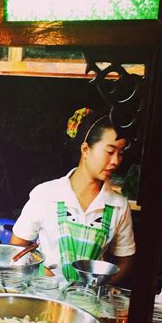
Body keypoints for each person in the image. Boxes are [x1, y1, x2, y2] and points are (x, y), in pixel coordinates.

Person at [10, 108, 135, 285]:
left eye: (120, 153)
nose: (115, 161)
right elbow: (17, 245)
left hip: (88, 301)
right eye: (110, 151)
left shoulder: (118, 206)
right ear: (85, 149)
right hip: (45, 294)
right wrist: (37, 269)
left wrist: (101, 287)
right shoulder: (46, 194)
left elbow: (125, 260)